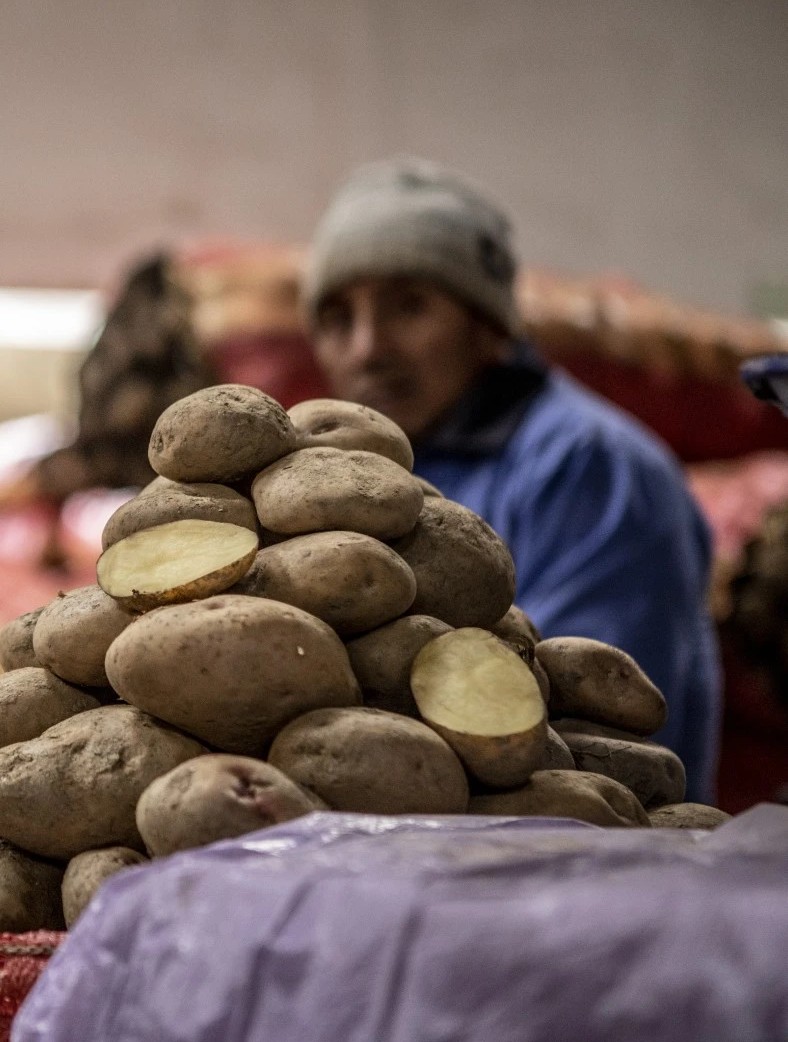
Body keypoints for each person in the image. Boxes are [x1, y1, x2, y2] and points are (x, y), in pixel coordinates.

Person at [302, 157, 722, 803]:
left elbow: (571, 739)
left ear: (488, 327)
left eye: (408, 306)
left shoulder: (593, 468)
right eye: (338, 320)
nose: (366, 349)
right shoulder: (364, 477)